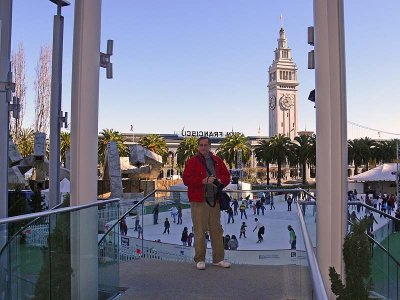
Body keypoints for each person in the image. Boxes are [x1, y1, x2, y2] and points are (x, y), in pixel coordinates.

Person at [183, 136, 231, 270]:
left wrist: (220, 181)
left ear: (210, 146)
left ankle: (218, 259)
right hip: (199, 201)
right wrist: (202, 181)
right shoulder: (192, 161)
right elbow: (186, 179)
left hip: (214, 200)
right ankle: (200, 259)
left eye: (206, 145)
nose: (203, 147)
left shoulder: (217, 160)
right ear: (198, 147)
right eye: (201, 145)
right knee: (199, 231)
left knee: (216, 230)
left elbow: (227, 176)